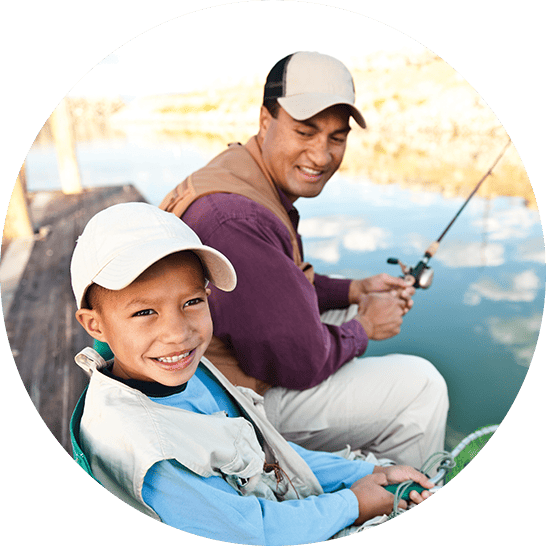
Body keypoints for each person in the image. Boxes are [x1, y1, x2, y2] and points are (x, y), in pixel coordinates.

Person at [69, 202, 434, 545]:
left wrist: (363, 475)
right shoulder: (151, 454)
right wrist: (353, 504)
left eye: (193, 302)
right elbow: (250, 532)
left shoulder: (177, 371)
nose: (178, 333)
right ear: (94, 325)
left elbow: (262, 450)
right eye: (145, 312)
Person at [159, 51, 449, 469]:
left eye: (337, 137)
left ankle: (363, 462)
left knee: (347, 310)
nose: (321, 154)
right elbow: (300, 362)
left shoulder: (239, 171)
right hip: (224, 406)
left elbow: (277, 283)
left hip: (222, 368)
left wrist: (354, 290)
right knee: (422, 387)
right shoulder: (235, 219)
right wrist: (364, 327)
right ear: (265, 120)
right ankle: (398, 501)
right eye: (305, 131)